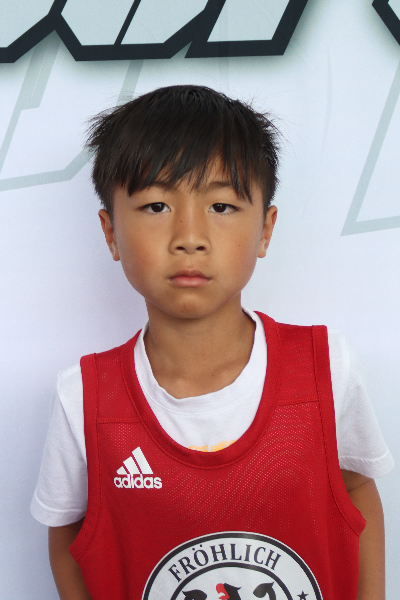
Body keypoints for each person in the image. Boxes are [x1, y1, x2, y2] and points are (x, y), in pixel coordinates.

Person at [31, 85, 393, 600]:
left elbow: (355, 489)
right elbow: (68, 531)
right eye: (156, 205)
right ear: (110, 232)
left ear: (265, 228)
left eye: (221, 205)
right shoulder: (83, 398)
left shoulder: (325, 369)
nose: (189, 236)